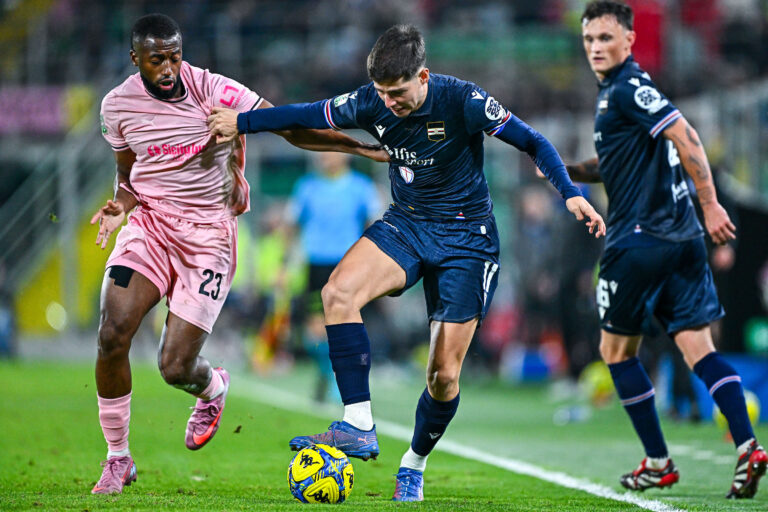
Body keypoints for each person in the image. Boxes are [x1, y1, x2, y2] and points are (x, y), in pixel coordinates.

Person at [208, 24, 605, 502]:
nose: (389, 103)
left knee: (443, 376)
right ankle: (358, 423)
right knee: (337, 293)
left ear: (423, 75)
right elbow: (303, 116)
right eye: (382, 93)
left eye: (398, 93)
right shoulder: (370, 101)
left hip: (467, 240)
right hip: (408, 224)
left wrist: (570, 196)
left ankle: (413, 463)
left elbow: (535, 142)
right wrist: (243, 121)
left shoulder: (465, 100)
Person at [90, 13, 386, 495]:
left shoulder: (215, 91)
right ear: (135, 58)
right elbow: (127, 169)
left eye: (174, 56)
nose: (168, 68)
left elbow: (289, 125)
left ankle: (211, 389)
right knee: (112, 332)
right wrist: (120, 203)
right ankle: (118, 458)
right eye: (156, 59)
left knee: (174, 368)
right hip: (150, 225)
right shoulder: (117, 105)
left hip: (208, 234)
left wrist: (358, 149)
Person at [568, 1, 766, 498]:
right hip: (681, 241)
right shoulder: (618, 95)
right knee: (700, 348)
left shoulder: (629, 86)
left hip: (640, 238)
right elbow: (615, 163)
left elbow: (685, 132)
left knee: (615, 351)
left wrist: (713, 204)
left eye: (606, 38)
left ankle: (658, 460)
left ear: (630, 41)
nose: (596, 48)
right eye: (590, 39)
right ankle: (748, 448)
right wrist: (567, 170)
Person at [289, 151, 381, 402]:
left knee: (346, 324)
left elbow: (375, 223)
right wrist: (284, 264)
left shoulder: (361, 187)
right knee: (315, 330)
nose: (325, 155)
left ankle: (343, 378)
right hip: (316, 263)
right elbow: (293, 225)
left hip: (348, 263)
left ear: (345, 155)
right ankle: (327, 372)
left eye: (331, 150)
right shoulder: (306, 187)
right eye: (323, 150)